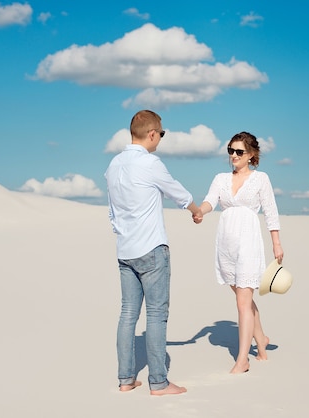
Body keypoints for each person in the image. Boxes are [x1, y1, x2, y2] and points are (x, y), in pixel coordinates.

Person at [105, 109, 202, 396]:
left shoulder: (113, 165)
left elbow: (112, 213)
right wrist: (196, 212)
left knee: (127, 314)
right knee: (157, 315)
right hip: (151, 249)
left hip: (125, 250)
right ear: (151, 134)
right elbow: (178, 193)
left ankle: (125, 379)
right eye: (161, 133)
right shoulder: (150, 163)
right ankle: (158, 382)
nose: (161, 138)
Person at [197, 131, 284, 374]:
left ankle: (242, 359)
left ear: (251, 155)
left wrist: (276, 242)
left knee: (242, 301)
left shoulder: (260, 179)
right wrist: (200, 212)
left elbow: (271, 211)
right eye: (230, 151)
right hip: (226, 244)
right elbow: (209, 201)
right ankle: (262, 342)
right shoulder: (221, 178)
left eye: (239, 152)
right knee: (243, 298)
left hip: (248, 242)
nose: (233, 156)